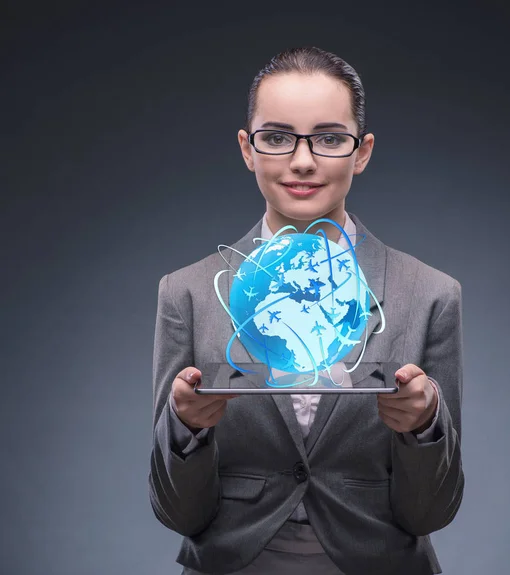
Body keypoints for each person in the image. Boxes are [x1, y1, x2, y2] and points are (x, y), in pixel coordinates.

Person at [149, 46, 464, 575]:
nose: (302, 160)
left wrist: (424, 425)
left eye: (329, 138)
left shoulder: (429, 295)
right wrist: (185, 428)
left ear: (361, 152)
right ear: (247, 149)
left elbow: (431, 510)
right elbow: (177, 512)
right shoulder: (188, 294)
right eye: (276, 137)